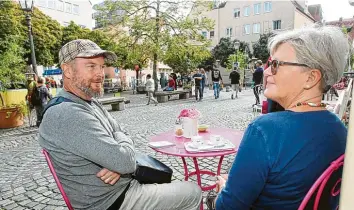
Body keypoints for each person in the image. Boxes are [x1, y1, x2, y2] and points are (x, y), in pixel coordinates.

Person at [39, 39, 202, 210]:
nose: (100, 73)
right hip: (111, 201)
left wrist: (117, 161)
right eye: (91, 66)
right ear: (67, 70)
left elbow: (120, 132)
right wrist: (119, 161)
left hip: (120, 189)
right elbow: (125, 161)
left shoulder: (89, 102)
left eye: (102, 66)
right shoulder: (66, 113)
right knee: (193, 191)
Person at [214, 25, 348, 210]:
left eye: (276, 65)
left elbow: (227, 206)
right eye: (269, 64)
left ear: (310, 78)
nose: (267, 72)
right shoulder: (339, 129)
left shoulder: (265, 130)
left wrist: (223, 190)